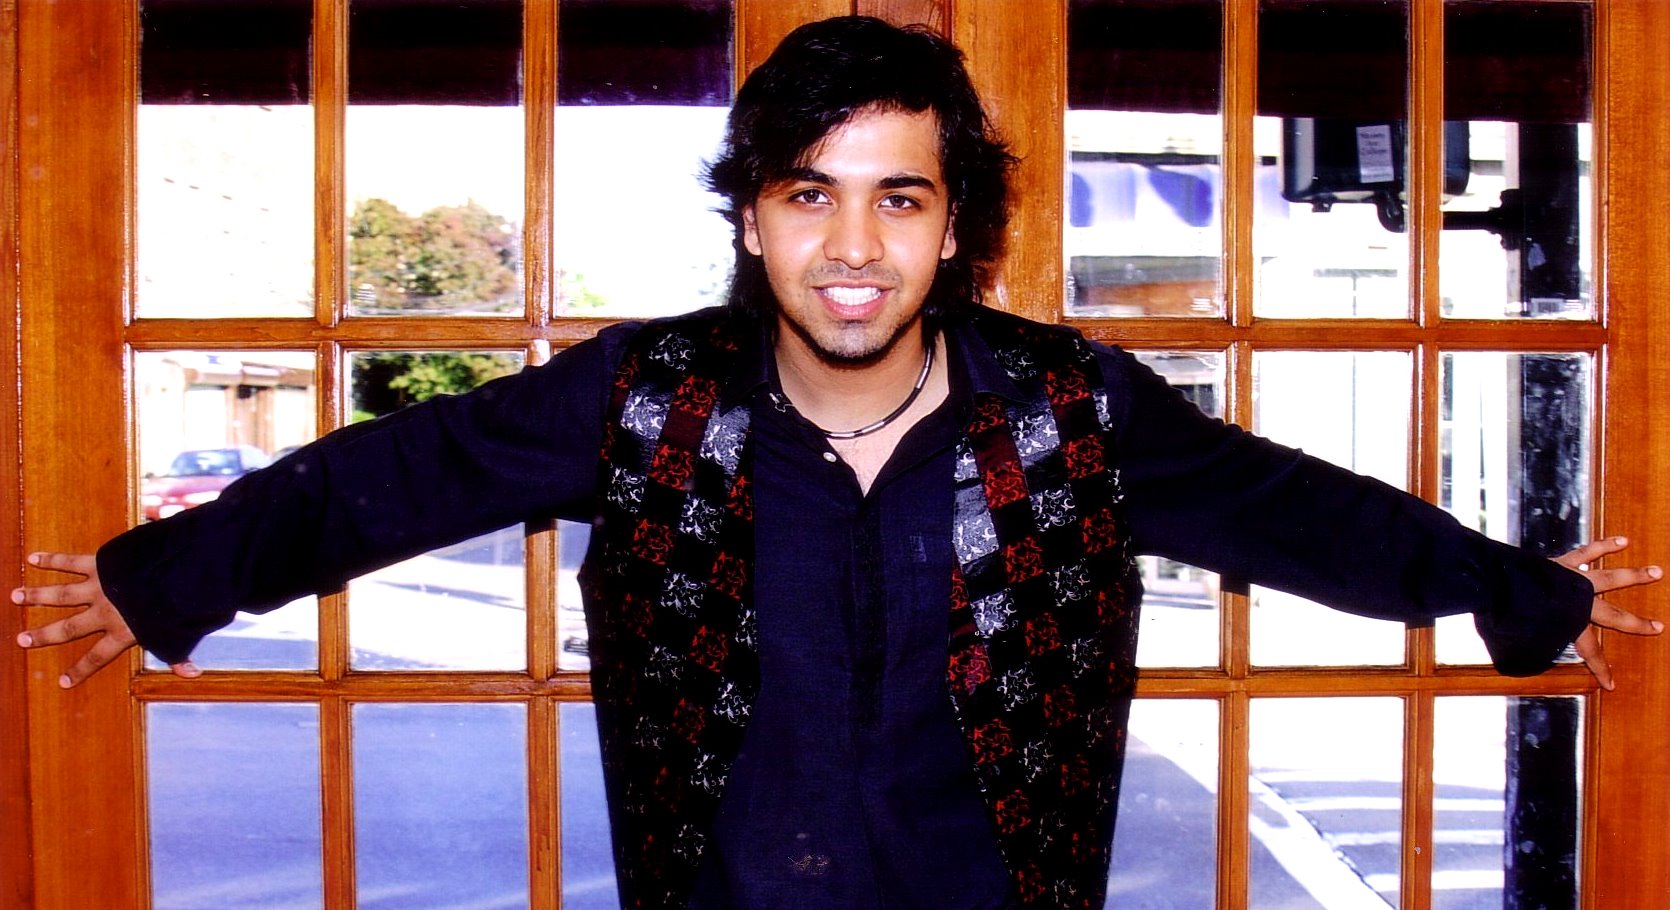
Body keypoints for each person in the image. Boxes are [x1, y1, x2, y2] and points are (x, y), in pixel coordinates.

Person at [11, 15, 1662, 910]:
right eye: (809, 193)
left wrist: (1523, 592)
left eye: (898, 198)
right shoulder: (642, 398)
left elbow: (1291, 507)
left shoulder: (1068, 410)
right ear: (752, 216)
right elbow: (396, 473)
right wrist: (161, 580)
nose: (853, 247)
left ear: (952, 227)